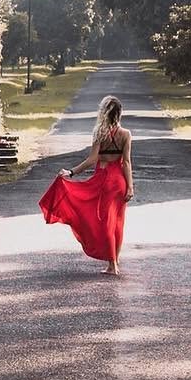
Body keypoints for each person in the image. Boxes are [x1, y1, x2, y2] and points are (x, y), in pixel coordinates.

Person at [38, 95, 134, 276]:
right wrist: (130, 187)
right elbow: (126, 162)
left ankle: (112, 265)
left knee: (104, 221)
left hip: (104, 180)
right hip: (119, 182)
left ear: (103, 113)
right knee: (117, 222)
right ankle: (115, 259)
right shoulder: (126, 134)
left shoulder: (100, 133)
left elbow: (92, 159)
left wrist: (72, 172)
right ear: (119, 114)